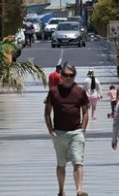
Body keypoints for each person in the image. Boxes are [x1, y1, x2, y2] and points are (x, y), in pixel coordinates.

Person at [44, 64, 90, 196]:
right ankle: (61, 190)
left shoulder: (80, 91)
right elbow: (47, 112)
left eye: (71, 75)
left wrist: (83, 129)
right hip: (59, 133)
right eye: (65, 75)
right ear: (61, 76)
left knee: (78, 161)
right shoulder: (53, 92)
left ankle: (79, 189)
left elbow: (85, 111)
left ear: (74, 76)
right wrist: (50, 130)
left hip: (76, 132)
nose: (68, 78)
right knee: (61, 163)